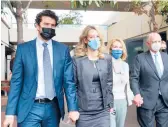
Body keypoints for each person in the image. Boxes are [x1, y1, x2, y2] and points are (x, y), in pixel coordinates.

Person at [4, 10, 79, 127]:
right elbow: (16, 82)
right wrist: (9, 113)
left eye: (53, 25)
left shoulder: (63, 50)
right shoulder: (23, 49)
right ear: (37, 26)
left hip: (53, 108)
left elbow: (69, 82)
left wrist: (73, 108)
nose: (50, 28)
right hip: (29, 108)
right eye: (46, 24)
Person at [73, 25, 114, 127]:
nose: (95, 39)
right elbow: (73, 86)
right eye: (91, 37)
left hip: (103, 110)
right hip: (83, 111)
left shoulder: (107, 59)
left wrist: (110, 104)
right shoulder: (77, 60)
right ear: (85, 40)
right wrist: (73, 109)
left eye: (97, 37)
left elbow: (109, 83)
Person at [130, 32, 168, 127]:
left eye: (159, 41)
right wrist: (137, 94)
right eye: (154, 41)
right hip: (146, 101)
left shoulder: (166, 57)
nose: (157, 44)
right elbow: (134, 78)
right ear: (148, 43)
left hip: (164, 101)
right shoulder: (140, 58)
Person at [108, 39, 134, 127]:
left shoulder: (125, 65)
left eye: (120, 47)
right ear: (111, 49)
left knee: (120, 125)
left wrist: (132, 98)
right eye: (115, 47)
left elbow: (128, 85)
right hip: (110, 101)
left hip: (122, 101)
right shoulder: (106, 63)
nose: (118, 49)